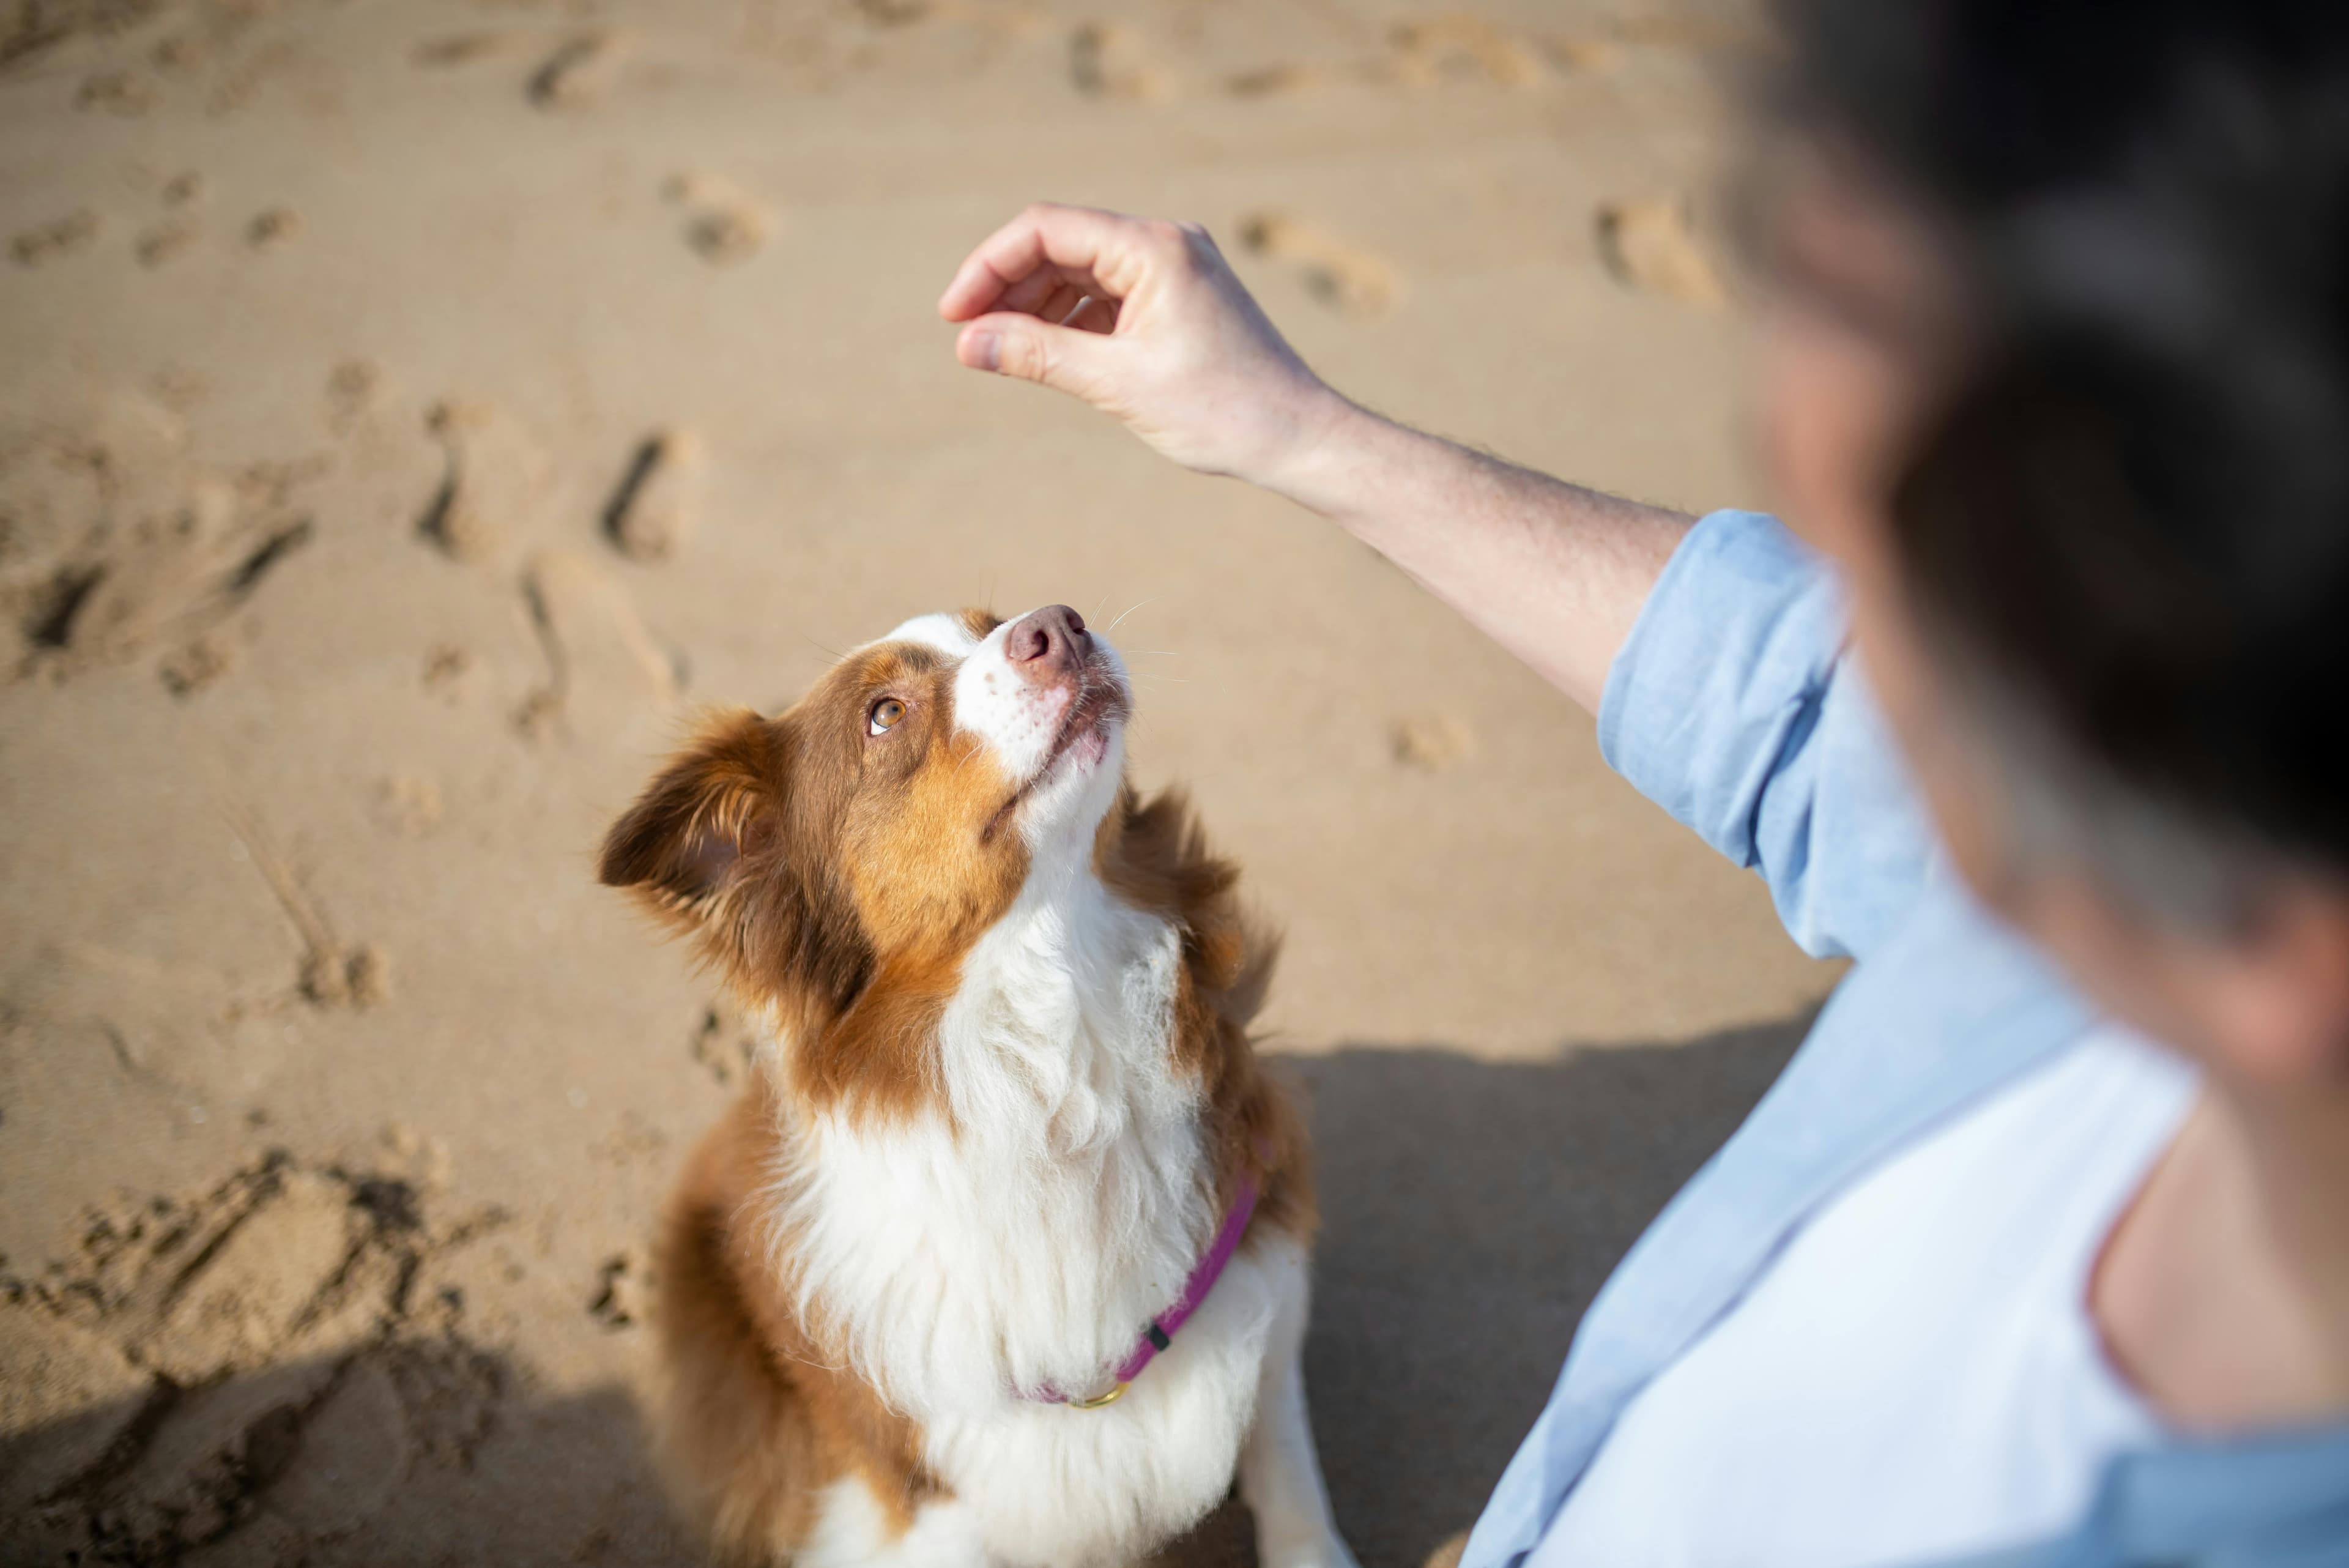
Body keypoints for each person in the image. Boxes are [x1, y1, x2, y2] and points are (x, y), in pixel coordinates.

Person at [936, 2, 2349, 1566]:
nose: (1852, 673)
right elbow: (1785, 706)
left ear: (2277, 939)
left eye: (1915, 611)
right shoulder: (2146, 875)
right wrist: (1301, 432)